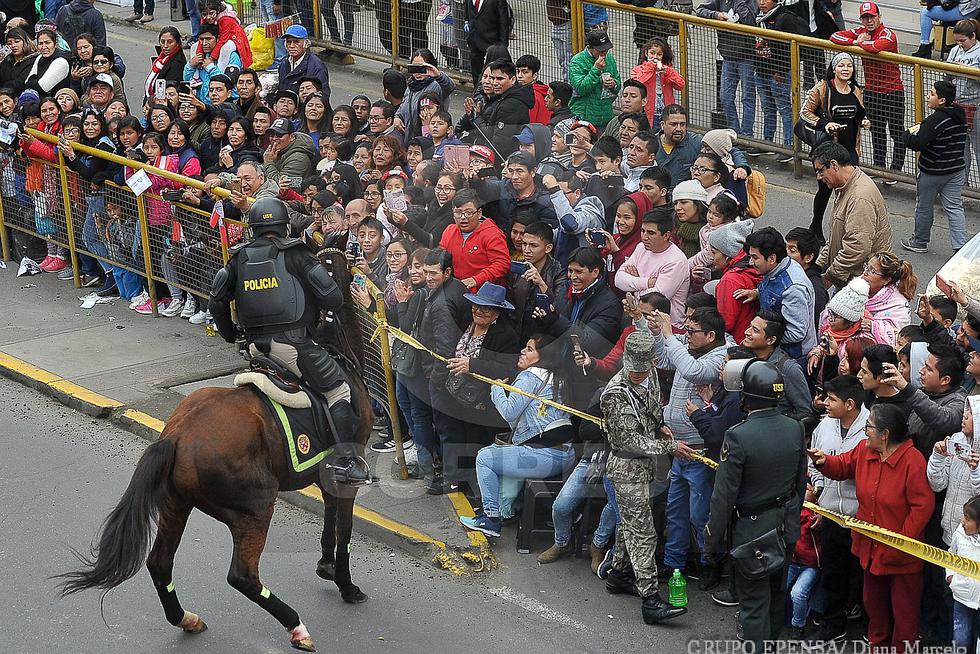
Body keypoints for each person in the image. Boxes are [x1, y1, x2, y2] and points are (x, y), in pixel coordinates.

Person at [207, 197, 370, 486]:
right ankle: (346, 462)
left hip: (256, 349)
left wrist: (230, 334)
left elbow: (216, 302)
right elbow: (333, 298)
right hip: (295, 347)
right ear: (284, 225)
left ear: (252, 227)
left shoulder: (237, 258)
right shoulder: (297, 253)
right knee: (339, 391)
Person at [809, 404, 935, 653]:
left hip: (902, 558)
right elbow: (844, 465)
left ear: (885, 434)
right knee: (875, 610)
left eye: (869, 427)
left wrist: (901, 543)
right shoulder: (865, 451)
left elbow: (921, 507)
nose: (866, 431)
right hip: (870, 550)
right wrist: (824, 462)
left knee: (905, 617)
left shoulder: (913, 461)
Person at [705, 358, 807, 650]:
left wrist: (712, 539)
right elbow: (799, 483)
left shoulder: (738, 436)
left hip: (752, 531)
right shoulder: (795, 428)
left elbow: (723, 496)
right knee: (776, 596)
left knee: (752, 603)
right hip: (785, 526)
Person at [602, 330, 691, 625]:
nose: (638, 374)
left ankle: (619, 574)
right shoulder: (615, 394)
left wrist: (660, 425)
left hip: (645, 466)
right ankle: (651, 601)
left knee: (632, 524)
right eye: (634, 370)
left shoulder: (649, 374)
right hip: (627, 468)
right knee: (643, 533)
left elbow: (651, 407)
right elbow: (629, 441)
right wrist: (670, 446)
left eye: (644, 368)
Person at [460, 333, 576, 537]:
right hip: (566, 455)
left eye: (530, 349)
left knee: (485, 458)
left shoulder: (529, 377)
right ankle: (508, 510)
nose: (522, 351)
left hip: (546, 456)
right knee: (497, 452)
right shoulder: (557, 377)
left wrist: (496, 388)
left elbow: (509, 412)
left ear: (543, 356)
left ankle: (491, 519)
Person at [650, 307, 730, 580]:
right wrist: (650, 326)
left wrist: (671, 336)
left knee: (699, 515)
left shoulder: (720, 356)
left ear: (710, 335)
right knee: (675, 512)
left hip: (699, 452)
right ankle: (675, 564)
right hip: (677, 446)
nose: (687, 336)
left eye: (692, 332)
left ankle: (708, 565)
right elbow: (662, 358)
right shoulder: (688, 348)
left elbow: (693, 371)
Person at [806, 374, 870, 647]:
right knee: (833, 572)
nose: (826, 404)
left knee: (865, 575)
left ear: (850, 404)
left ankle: (868, 623)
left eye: (832, 399)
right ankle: (833, 625)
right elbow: (813, 463)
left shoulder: (872, 428)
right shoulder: (825, 425)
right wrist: (820, 491)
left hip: (862, 518)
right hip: (832, 513)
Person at [830, 3, 905, 179]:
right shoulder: (860, 32)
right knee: (876, 131)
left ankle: (895, 171)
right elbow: (834, 36)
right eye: (865, 18)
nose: (869, 21)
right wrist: (856, 41)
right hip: (871, 92)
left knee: (896, 132)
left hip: (892, 92)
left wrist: (861, 42)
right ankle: (880, 168)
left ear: (879, 16)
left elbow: (876, 47)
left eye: (872, 16)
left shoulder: (888, 34)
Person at [801, 52, 869, 243]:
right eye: (841, 66)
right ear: (834, 69)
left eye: (849, 66)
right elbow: (804, 112)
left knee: (848, 192)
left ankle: (843, 230)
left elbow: (860, 113)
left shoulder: (855, 90)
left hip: (849, 150)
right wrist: (824, 124)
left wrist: (863, 120)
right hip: (827, 149)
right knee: (825, 192)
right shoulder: (822, 88)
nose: (846, 69)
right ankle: (816, 225)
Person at [810, 142, 891, 290]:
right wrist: (818, 266)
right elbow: (836, 238)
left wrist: (830, 276)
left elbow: (857, 247)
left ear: (834, 165)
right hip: (850, 275)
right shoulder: (844, 188)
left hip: (858, 281)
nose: (819, 177)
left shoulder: (859, 197)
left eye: (820, 171)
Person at [900, 80, 968, 255]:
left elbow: (918, 143)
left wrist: (906, 135)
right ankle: (961, 247)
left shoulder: (934, 120)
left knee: (924, 206)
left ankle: (920, 241)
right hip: (956, 170)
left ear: (942, 100)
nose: (927, 96)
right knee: (954, 207)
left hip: (932, 172)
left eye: (931, 94)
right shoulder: (959, 115)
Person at [739, 227, 817, 365]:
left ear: (772, 258)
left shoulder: (793, 289)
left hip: (792, 359)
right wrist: (757, 293)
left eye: (755, 257)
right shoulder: (776, 267)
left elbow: (797, 332)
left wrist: (763, 339)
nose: (750, 263)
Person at [614, 207, 691, 327]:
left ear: (666, 235)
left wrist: (633, 285)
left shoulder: (676, 261)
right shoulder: (641, 248)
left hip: (667, 327)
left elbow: (654, 301)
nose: (644, 237)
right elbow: (618, 280)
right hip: (639, 322)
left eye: (650, 233)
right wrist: (647, 282)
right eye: (642, 231)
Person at [754, 0, 809, 152]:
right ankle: (767, 143)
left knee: (785, 109)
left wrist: (782, 71)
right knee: (768, 109)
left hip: (779, 73)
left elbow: (788, 48)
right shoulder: (757, 17)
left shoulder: (785, 18)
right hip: (761, 70)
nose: (762, 2)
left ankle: (789, 145)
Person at [696, 0, 757, 138]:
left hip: (747, 56)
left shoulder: (749, 2)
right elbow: (700, 10)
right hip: (728, 55)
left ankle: (747, 134)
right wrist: (715, 14)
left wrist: (739, 3)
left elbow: (749, 19)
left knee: (748, 97)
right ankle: (734, 130)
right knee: (725, 96)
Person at [741, 310, 815, 423]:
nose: (747, 332)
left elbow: (805, 412)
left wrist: (776, 420)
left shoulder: (788, 368)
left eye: (755, 330)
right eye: (750, 327)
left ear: (771, 340)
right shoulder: (743, 358)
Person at [705, 218, 759, 343]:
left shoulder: (730, 280)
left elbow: (726, 323)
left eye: (714, 252)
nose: (711, 257)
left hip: (736, 341)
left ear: (727, 254)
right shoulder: (754, 269)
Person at [946, 494, 980, 652]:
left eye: (968, 518)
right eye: (963, 516)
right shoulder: (960, 533)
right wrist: (950, 575)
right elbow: (951, 554)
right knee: (960, 641)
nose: (962, 521)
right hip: (962, 598)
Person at [946, 19, 980, 178]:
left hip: (976, 105)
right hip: (958, 105)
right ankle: (962, 184)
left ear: (973, 36)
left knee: (978, 148)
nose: (960, 44)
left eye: (963, 40)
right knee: (961, 147)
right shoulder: (954, 51)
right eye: (957, 41)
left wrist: (970, 71)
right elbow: (946, 75)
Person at [568, 29, 621, 129]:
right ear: (590, 47)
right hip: (584, 117)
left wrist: (614, 84)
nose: (604, 53)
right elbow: (581, 88)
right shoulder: (577, 61)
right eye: (600, 50)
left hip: (605, 116)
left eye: (606, 50)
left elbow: (618, 83)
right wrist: (596, 69)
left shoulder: (609, 58)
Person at [630, 37, 685, 127]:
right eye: (652, 53)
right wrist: (650, 68)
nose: (655, 57)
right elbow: (637, 83)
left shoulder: (667, 69)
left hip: (666, 114)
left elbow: (681, 85)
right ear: (646, 53)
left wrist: (669, 73)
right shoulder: (638, 70)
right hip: (647, 114)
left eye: (659, 54)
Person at [277, 25, 330, 109]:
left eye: (296, 42)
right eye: (289, 42)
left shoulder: (317, 67)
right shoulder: (284, 63)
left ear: (306, 44)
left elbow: (323, 96)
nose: (291, 46)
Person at [463, 0, 511, 87]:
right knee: (476, 72)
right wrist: (466, 20)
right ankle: (478, 93)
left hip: (492, 41)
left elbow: (503, 21)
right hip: (474, 40)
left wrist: (503, 45)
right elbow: (467, 9)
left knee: (495, 71)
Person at [913, 0, 980, 59]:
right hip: (972, 8)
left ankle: (924, 48)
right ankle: (925, 48)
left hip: (966, 9)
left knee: (925, 12)